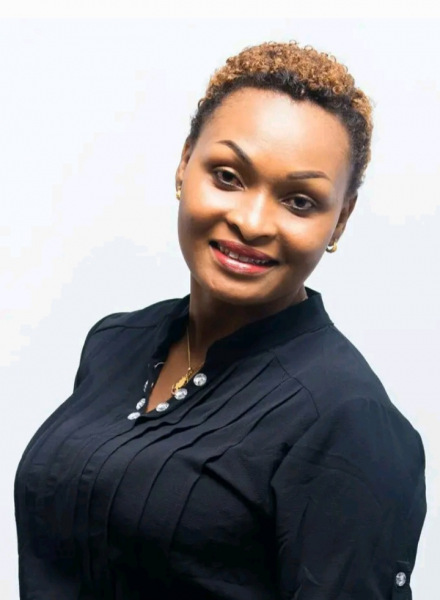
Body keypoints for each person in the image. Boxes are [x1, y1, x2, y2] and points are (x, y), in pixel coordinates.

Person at [14, 41, 426, 600]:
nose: (252, 222)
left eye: (299, 201)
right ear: (185, 164)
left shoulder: (349, 421)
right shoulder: (115, 344)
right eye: (229, 176)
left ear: (340, 220)